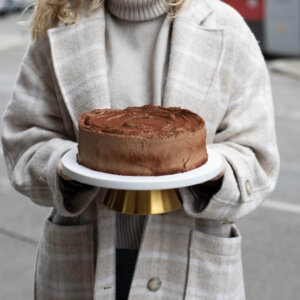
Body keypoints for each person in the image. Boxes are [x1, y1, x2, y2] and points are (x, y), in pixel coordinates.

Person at [1, 0, 279, 299]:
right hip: (81, 262)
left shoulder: (227, 28)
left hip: (192, 263)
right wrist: (63, 166)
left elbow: (257, 157)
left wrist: (213, 170)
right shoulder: (61, 25)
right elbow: (24, 141)